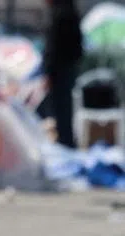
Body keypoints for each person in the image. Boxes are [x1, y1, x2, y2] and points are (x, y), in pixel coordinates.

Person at [42, 0, 84, 148]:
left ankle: (65, 143)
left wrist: (48, 71)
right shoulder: (69, 12)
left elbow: (52, 47)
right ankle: (66, 141)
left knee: (62, 110)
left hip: (60, 70)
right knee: (64, 110)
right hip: (67, 68)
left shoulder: (60, 14)